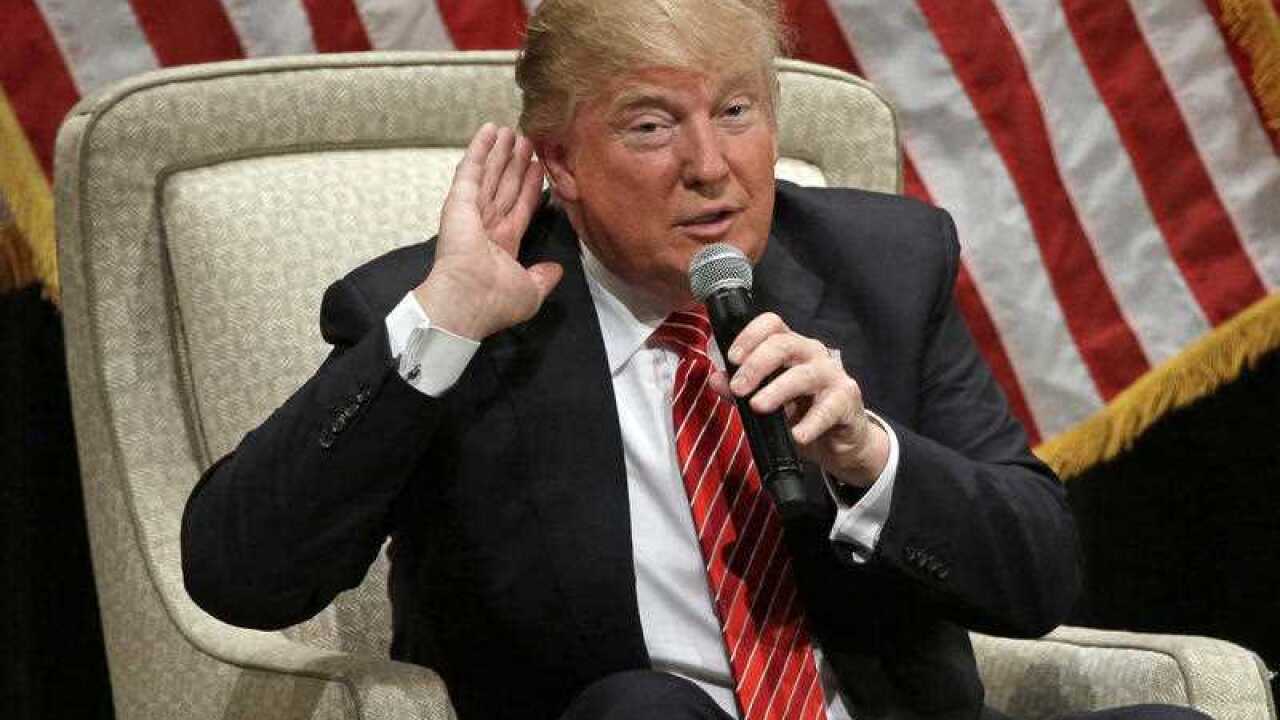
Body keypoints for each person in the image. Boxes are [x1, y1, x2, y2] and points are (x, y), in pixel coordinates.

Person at [180, 2, 1207, 720]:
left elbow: (1037, 578)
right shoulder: (464, 316)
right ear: (559, 165)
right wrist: (443, 322)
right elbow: (241, 577)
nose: (709, 168)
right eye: (648, 125)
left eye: (733, 111)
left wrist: (870, 457)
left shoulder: (884, 267)